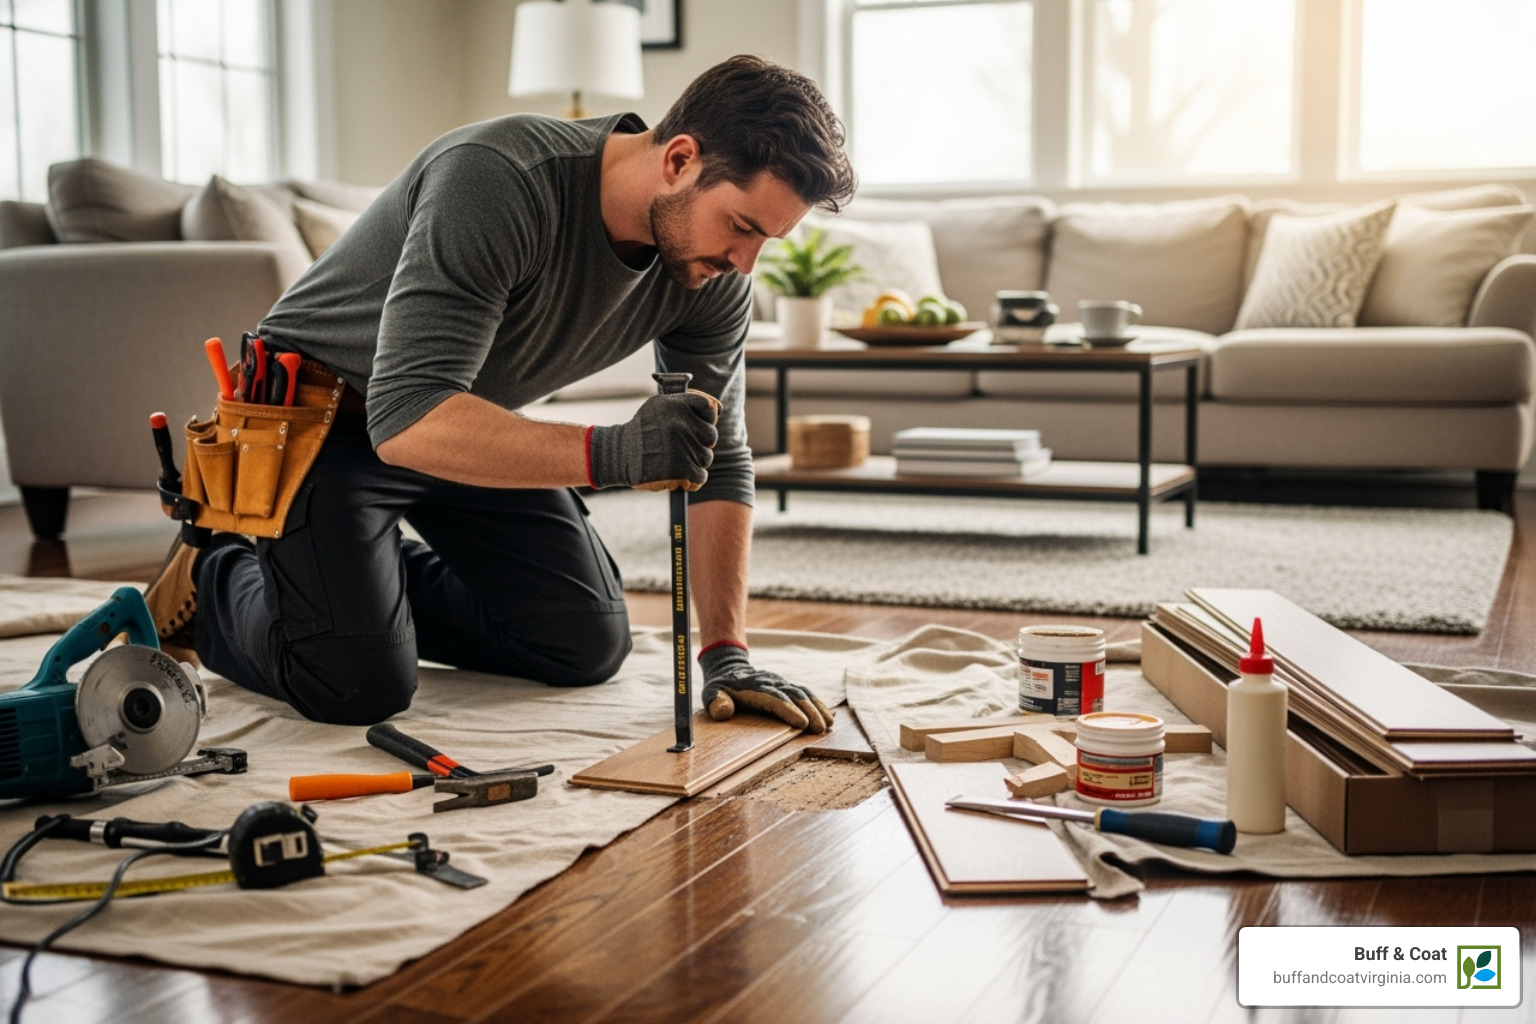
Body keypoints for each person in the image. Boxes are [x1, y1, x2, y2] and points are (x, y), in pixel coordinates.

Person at [146, 55, 857, 732]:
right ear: (679, 160)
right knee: (356, 683)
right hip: (326, 420)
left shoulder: (712, 275)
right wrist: (616, 454)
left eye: (766, 240)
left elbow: (718, 457)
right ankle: (220, 572)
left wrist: (726, 654)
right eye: (741, 226)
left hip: (463, 423)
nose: (745, 263)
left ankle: (345, 586)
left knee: (583, 641)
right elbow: (405, 415)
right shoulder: (498, 177)